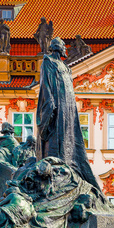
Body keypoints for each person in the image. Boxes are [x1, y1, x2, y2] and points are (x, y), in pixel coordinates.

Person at [37, 37, 100, 191]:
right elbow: (45, 86)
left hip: (68, 110)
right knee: (56, 142)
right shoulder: (48, 62)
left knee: (69, 141)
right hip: (57, 109)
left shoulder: (66, 67)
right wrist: (50, 107)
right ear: (58, 47)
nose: (66, 48)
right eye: (64, 46)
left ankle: (68, 172)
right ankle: (57, 176)